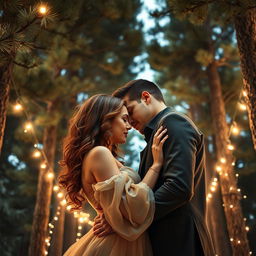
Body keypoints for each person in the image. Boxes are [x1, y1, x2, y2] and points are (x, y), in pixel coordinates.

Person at [94, 79, 215, 256]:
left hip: (180, 241)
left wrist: (127, 219)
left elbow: (178, 187)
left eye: (131, 110)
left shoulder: (173, 123)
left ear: (146, 97)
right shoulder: (159, 131)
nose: (129, 121)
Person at [59, 94, 168, 256]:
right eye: (124, 119)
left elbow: (121, 207)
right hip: (114, 245)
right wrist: (156, 165)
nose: (129, 126)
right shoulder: (99, 153)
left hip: (120, 239)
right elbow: (132, 206)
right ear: (105, 121)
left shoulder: (104, 155)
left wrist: (114, 219)